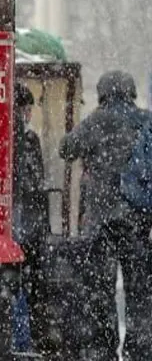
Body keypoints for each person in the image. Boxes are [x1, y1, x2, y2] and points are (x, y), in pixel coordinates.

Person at [59, 70, 152, 360]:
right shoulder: (146, 120)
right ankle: (140, 347)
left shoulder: (96, 121)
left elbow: (65, 148)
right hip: (138, 220)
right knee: (139, 292)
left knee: (101, 291)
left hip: (102, 221)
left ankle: (104, 348)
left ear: (103, 93)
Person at [10, 82, 49, 351]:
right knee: (23, 282)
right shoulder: (26, 138)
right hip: (22, 222)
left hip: (11, 222)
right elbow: (34, 182)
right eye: (27, 108)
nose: (29, 115)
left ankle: (17, 336)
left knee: (14, 282)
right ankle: (21, 339)